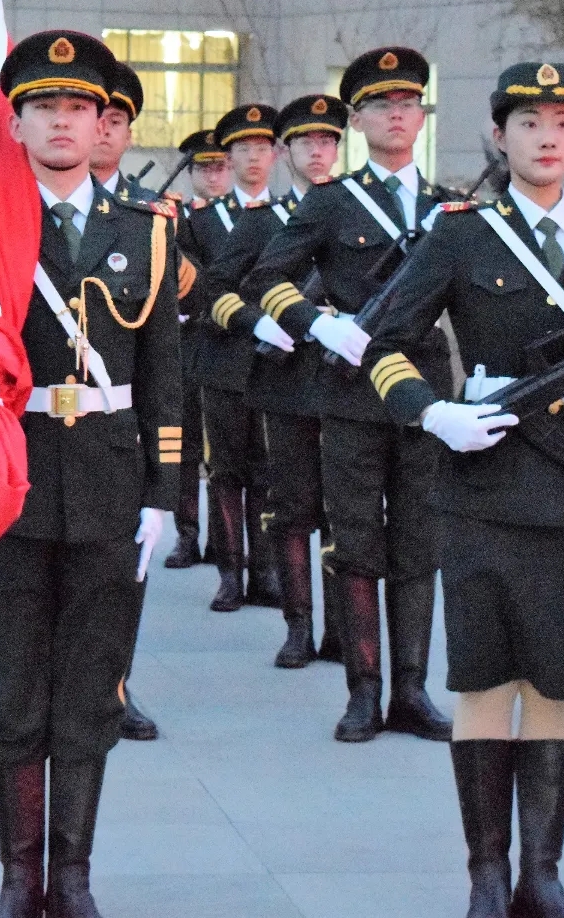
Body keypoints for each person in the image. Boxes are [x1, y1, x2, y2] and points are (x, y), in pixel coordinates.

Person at [363, 62, 564, 918]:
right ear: (498, 135)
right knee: (484, 679)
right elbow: (382, 344)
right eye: (529, 123)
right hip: (486, 477)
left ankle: (541, 876)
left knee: (556, 678)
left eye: (562, 124)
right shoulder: (461, 236)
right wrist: (432, 412)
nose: (547, 138)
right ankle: (485, 876)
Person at [0, 29, 180, 918]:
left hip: (110, 482)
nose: (63, 121)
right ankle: (15, 877)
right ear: (16, 124)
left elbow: (165, 376)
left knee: (89, 692)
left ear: (102, 121)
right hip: (13, 481)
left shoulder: (145, 232)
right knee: (12, 692)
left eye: (79, 107)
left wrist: (164, 496)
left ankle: (71, 878)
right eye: (44, 107)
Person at [241, 47, 453, 743]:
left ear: (421, 116)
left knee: (418, 542)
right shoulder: (331, 202)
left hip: (424, 390)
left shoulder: (449, 208)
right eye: (381, 105)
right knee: (356, 539)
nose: (397, 115)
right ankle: (364, 690)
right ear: (356, 120)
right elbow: (267, 278)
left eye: (408, 103)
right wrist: (318, 324)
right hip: (351, 389)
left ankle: (412, 691)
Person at [239, 94, 350, 668]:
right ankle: (298, 626)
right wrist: (260, 321)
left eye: (327, 140)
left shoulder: (357, 210)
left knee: (343, 508)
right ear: (285, 152)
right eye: (306, 141)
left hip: (344, 379)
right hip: (285, 379)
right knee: (291, 505)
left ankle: (341, 630)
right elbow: (218, 288)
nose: (318, 151)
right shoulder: (263, 220)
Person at [89, 60, 162, 743]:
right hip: (40, 416)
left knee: (120, 572)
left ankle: (113, 685)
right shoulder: (19, 205)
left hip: (121, 418)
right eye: (97, 117)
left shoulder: (152, 217)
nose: (104, 131)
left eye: (116, 121)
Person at [195, 103, 288, 612]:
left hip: (275, 359)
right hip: (222, 355)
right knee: (227, 470)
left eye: (262, 148)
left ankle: (266, 571)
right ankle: (230, 572)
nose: (254, 157)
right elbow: (196, 288)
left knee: (269, 471)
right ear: (228, 159)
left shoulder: (292, 216)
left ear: (276, 155)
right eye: (243, 149)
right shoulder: (203, 220)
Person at [160, 128, 224, 571]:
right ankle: (187, 534)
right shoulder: (174, 216)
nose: (214, 176)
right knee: (183, 446)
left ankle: (223, 537)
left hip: (227, 341)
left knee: (225, 451)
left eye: (221, 167)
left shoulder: (248, 216)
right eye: (205, 168)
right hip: (185, 339)